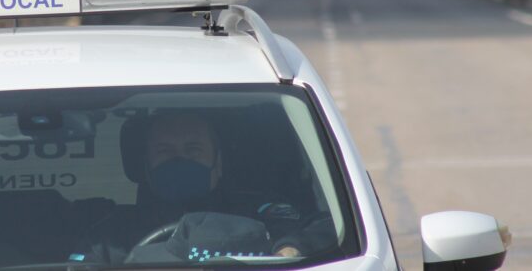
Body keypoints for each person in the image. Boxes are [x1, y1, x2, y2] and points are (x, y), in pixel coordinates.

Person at [73, 112, 336, 264]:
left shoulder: (259, 214)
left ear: (218, 162)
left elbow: (331, 227)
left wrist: (290, 249)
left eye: (193, 150)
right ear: (144, 166)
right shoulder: (112, 233)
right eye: (165, 151)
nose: (179, 160)